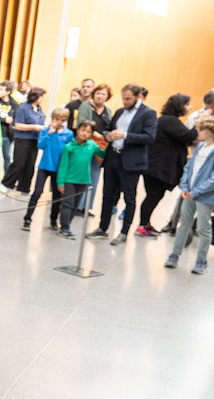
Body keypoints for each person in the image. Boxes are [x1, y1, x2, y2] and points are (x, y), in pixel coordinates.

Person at [85, 83, 159, 246]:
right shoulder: (119, 112)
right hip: (113, 157)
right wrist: (109, 136)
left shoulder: (148, 113)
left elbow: (150, 137)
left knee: (129, 197)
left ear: (138, 97)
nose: (125, 101)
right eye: (123, 98)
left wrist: (125, 135)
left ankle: (124, 232)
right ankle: (102, 228)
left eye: (128, 99)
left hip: (131, 161)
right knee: (107, 195)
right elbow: (109, 130)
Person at [136, 93, 197, 237]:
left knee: (154, 195)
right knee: (153, 196)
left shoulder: (169, 120)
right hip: (156, 167)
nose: (190, 107)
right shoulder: (170, 120)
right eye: (187, 104)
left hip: (156, 167)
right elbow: (187, 136)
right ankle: (142, 226)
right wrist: (198, 123)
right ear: (179, 106)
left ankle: (145, 223)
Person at [165, 117, 214, 274]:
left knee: (203, 228)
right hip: (189, 194)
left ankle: (201, 261)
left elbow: (213, 179)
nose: (198, 132)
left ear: (210, 131)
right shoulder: (199, 147)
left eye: (201, 130)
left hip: (204, 197)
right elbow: (188, 168)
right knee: (183, 225)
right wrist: (185, 187)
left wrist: (195, 193)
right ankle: (174, 255)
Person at [22, 108, 73, 231]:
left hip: (59, 169)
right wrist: (49, 133)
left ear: (64, 121)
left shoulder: (68, 134)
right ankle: (28, 219)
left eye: (58, 119)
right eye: (54, 118)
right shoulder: (45, 131)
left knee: (56, 196)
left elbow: (70, 151)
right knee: (37, 193)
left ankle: (53, 220)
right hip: (44, 166)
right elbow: (41, 145)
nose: (55, 121)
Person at [55, 121, 106, 239]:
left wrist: (106, 141)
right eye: (83, 130)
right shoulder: (69, 147)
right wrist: (60, 182)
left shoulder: (92, 145)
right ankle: (64, 227)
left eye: (88, 132)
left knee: (75, 205)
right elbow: (63, 166)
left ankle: (66, 225)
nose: (84, 133)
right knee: (68, 204)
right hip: (69, 180)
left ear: (91, 134)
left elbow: (101, 155)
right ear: (77, 130)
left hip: (83, 181)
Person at [0, 87, 46, 194]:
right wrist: (34, 127)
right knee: (19, 163)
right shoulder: (23, 108)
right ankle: (6, 183)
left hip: (35, 140)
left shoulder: (39, 109)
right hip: (23, 140)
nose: (42, 98)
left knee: (30, 165)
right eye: (41, 96)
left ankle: (25, 187)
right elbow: (18, 125)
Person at [75, 83, 112, 215]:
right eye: (98, 93)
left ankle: (87, 206)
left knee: (95, 176)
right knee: (82, 173)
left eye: (103, 94)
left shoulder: (108, 110)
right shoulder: (86, 106)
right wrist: (96, 135)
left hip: (100, 146)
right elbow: (82, 123)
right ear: (94, 94)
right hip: (85, 144)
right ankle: (77, 205)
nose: (100, 96)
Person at [0, 81, 20, 176]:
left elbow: (16, 117)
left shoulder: (14, 104)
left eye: (1, 89)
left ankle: (7, 176)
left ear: (8, 91)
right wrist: (4, 119)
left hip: (7, 134)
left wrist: (13, 124)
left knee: (7, 157)